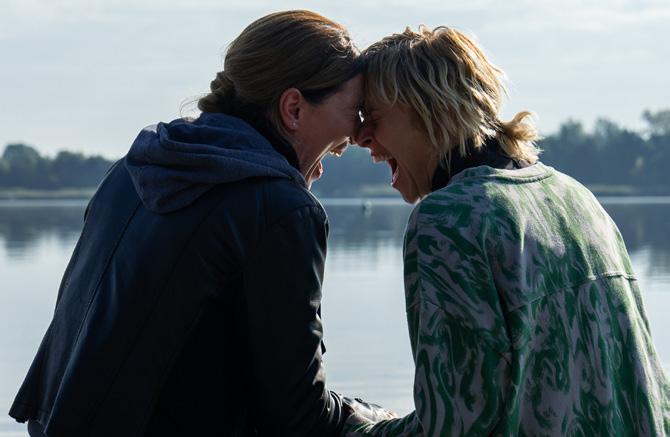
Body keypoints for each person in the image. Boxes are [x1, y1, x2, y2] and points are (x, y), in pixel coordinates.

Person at [9, 10, 393, 437]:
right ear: (293, 109)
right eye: (354, 112)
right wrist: (385, 419)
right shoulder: (281, 210)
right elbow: (299, 415)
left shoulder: (130, 172)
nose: (359, 135)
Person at [346, 25, 670, 435]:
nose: (360, 137)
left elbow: (455, 423)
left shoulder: (448, 219)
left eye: (372, 117)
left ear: (429, 110)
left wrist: (359, 429)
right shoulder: (577, 199)